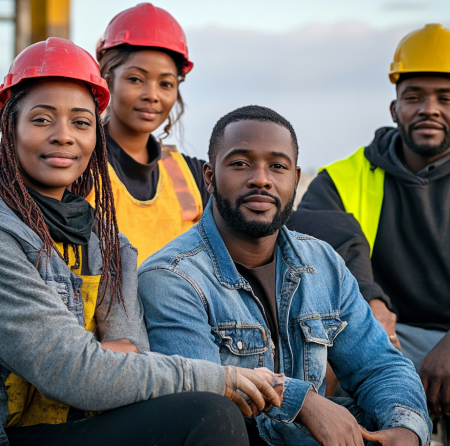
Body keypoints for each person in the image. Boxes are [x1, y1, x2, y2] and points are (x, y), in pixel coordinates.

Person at [0, 39, 280, 446]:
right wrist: (221, 377)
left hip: (74, 423)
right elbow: (74, 371)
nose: (64, 136)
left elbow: (131, 358)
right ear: (10, 126)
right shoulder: (6, 235)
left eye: (81, 122)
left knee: (207, 415)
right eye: (42, 120)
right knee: (210, 403)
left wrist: (101, 363)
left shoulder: (110, 246)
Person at [138, 106, 431, 446]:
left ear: (295, 178)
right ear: (209, 176)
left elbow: (379, 365)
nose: (261, 178)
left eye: (277, 166)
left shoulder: (323, 264)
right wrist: (302, 402)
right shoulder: (171, 277)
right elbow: (206, 400)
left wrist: (405, 429)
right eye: (240, 163)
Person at [288, 23, 450, 444]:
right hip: (374, 332)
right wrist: (368, 300)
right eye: (415, 98)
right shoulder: (342, 178)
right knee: (322, 376)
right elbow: (308, 235)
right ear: (394, 107)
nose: (429, 109)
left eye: (445, 98)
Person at [89, 3, 208, 265]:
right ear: (106, 79)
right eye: (135, 79)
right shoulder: (78, 167)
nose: (152, 95)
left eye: (165, 84)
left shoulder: (194, 177)